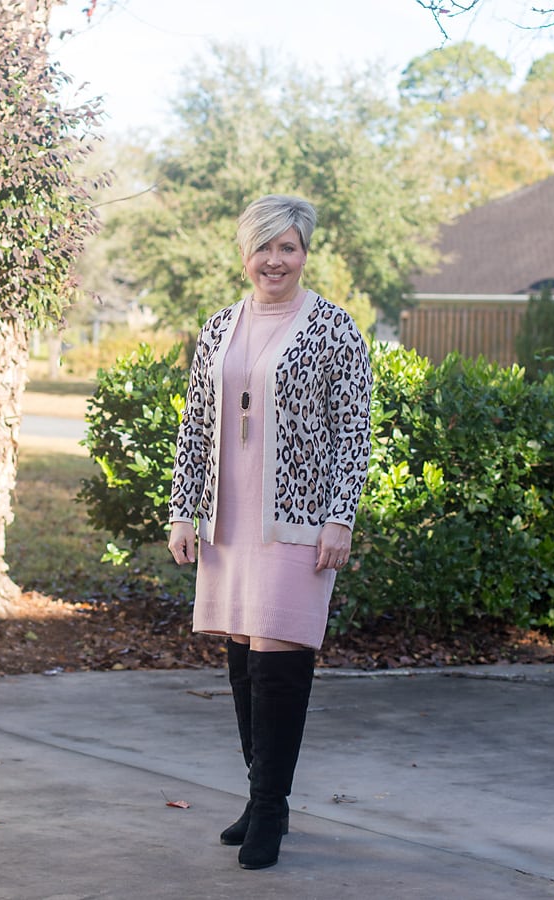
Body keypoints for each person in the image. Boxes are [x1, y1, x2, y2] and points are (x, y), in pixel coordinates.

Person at [168, 194, 372, 870]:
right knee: (242, 658)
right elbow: (195, 424)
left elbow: (354, 430)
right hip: (228, 519)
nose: (274, 260)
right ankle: (264, 801)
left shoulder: (333, 327)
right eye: (263, 248)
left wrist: (340, 515)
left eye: (287, 247)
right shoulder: (220, 327)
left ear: (305, 252)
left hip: (297, 519)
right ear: (244, 255)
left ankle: (271, 807)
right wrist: (182, 510)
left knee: (277, 657)